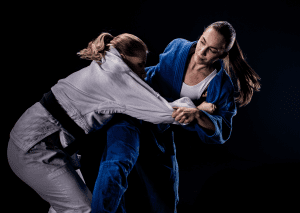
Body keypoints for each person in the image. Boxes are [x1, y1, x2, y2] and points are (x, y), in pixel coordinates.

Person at [7, 31, 215, 213]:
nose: (144, 72)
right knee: (83, 208)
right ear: (124, 57)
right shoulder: (116, 75)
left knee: (67, 205)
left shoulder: (107, 64)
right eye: (141, 65)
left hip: (46, 143)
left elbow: (149, 100)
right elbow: (161, 112)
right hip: (33, 148)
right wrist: (197, 109)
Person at [91, 21, 261, 213]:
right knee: (117, 164)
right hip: (132, 114)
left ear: (223, 54)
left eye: (212, 50)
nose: (201, 51)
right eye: (202, 41)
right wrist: (194, 105)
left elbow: (221, 130)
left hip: (159, 131)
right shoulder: (178, 47)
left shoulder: (220, 85)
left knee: (166, 194)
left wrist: (197, 114)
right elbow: (153, 75)